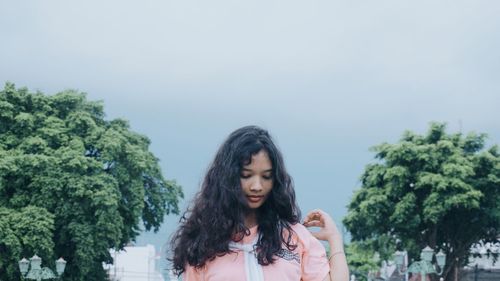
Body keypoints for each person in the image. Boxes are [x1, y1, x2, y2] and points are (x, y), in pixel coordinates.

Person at [170, 126, 349, 281]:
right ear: (228, 177)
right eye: (247, 175)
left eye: (266, 176)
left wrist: (335, 238)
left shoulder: (294, 238)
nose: (257, 186)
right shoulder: (203, 245)